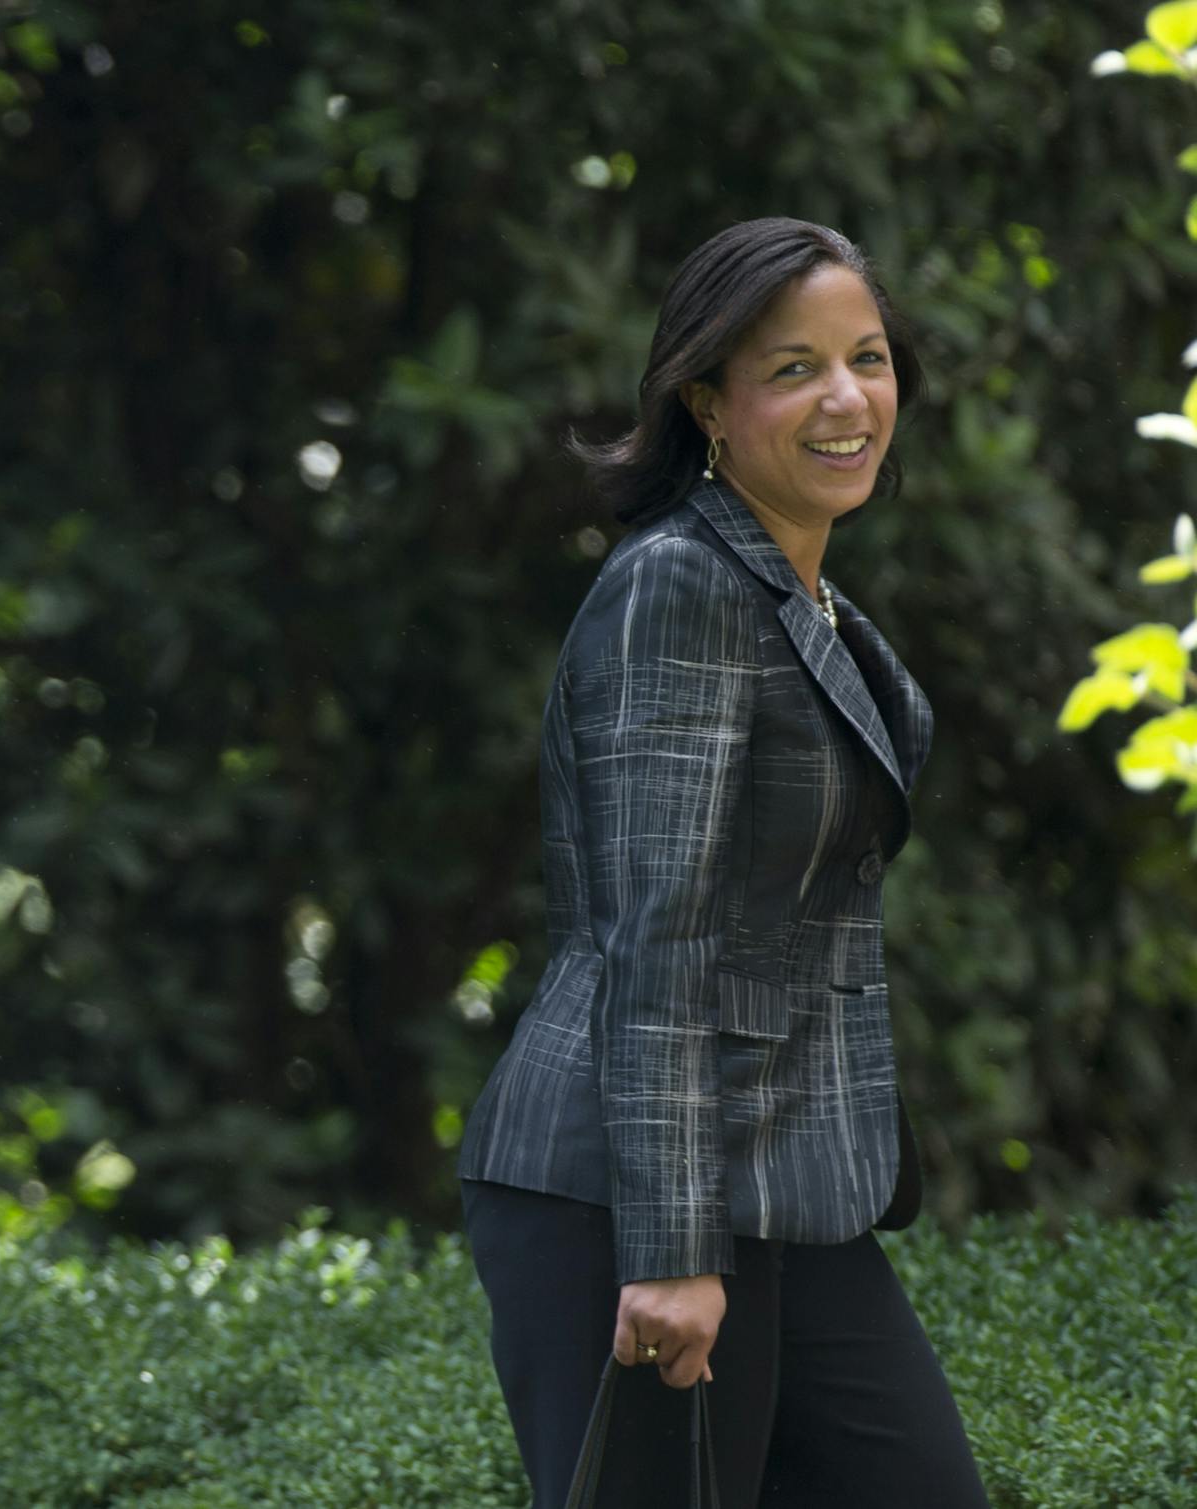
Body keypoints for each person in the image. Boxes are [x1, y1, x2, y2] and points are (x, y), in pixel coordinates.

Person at [456, 218, 989, 1507]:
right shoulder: (679, 590)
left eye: (868, 357)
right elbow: (663, 929)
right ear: (706, 403)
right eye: (793, 368)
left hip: (792, 1176)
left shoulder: (804, 601)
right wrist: (674, 1248)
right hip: (631, 1189)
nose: (848, 397)